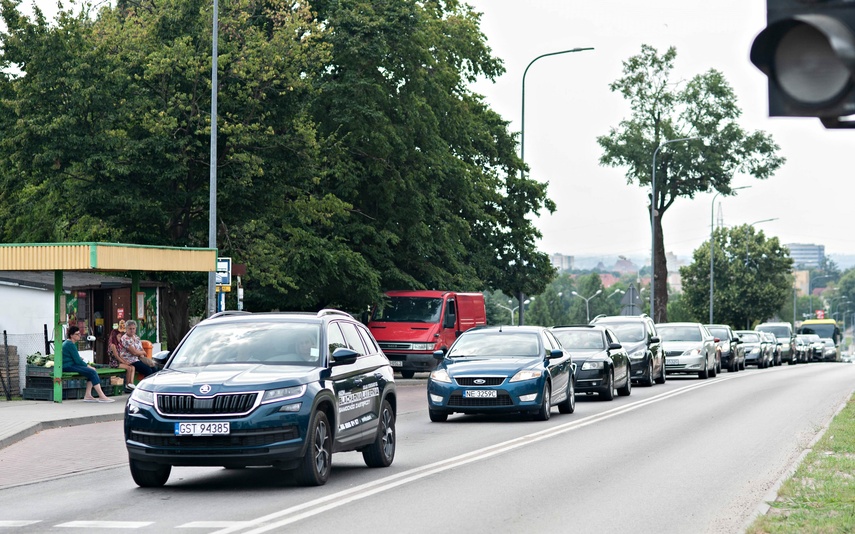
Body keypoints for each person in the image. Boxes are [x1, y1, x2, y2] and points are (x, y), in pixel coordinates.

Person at [62, 326, 114, 403]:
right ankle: (102, 396)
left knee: (90, 372)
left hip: (69, 365)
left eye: (79, 334)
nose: (79, 335)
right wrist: (88, 366)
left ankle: (88, 395)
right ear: (71, 335)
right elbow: (78, 361)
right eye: (77, 334)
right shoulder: (70, 344)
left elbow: (75, 357)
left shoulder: (69, 343)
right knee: (92, 371)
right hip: (68, 366)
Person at [108, 328, 136, 393]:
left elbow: (120, 355)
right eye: (119, 336)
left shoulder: (118, 345)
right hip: (114, 363)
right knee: (128, 368)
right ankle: (127, 384)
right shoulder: (112, 345)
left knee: (133, 367)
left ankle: (131, 383)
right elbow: (116, 356)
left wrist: (126, 361)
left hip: (119, 362)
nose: (120, 338)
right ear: (115, 337)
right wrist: (124, 362)